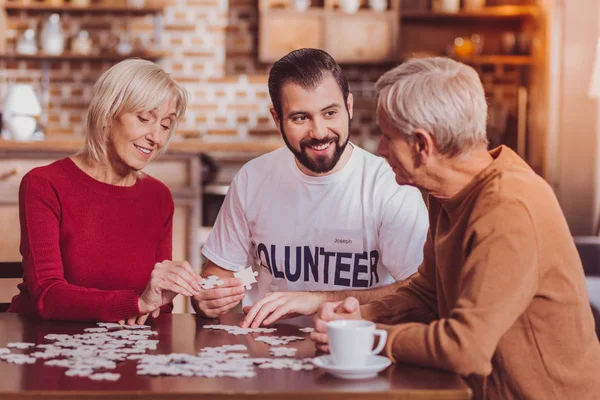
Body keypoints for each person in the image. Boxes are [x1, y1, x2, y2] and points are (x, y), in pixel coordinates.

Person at [311, 57, 600, 399]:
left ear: (422, 145)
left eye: (387, 136)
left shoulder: (509, 207)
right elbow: (428, 292)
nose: (380, 149)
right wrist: (361, 315)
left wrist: (368, 336)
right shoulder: (445, 193)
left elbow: (466, 348)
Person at [190, 48, 429, 328]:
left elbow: (419, 293)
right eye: (300, 118)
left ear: (349, 107)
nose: (318, 132)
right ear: (277, 119)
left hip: (354, 351)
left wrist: (318, 299)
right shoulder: (251, 179)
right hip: (265, 352)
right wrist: (207, 296)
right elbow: (221, 274)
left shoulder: (390, 184)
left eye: (329, 113)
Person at [8, 59, 202, 325]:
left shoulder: (158, 197)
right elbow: (48, 294)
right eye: (144, 118)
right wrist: (136, 303)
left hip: (125, 350)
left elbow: (158, 305)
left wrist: (165, 294)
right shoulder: (43, 184)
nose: (156, 137)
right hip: (42, 340)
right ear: (107, 115)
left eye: (166, 125)